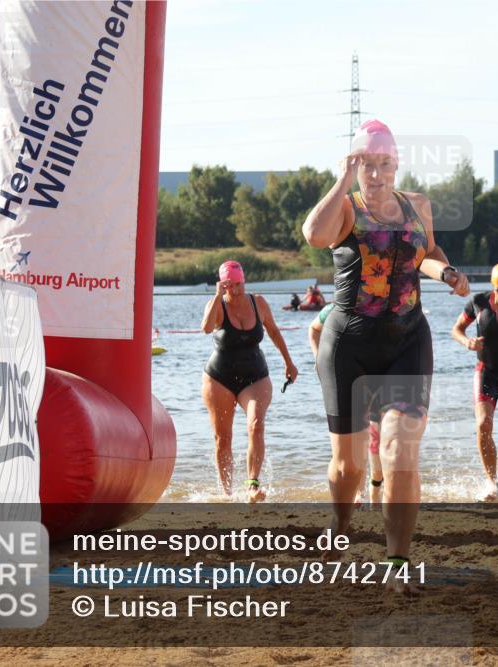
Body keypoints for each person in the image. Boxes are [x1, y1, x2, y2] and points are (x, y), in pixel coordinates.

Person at [303, 119, 470, 591]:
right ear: (354, 166)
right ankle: (340, 521)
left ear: (396, 165)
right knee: (350, 467)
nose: (375, 174)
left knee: (399, 451)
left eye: (384, 164)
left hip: (406, 341)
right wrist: (342, 178)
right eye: (366, 165)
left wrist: (447, 273)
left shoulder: (418, 205)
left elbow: (428, 252)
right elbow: (313, 234)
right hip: (348, 347)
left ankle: (397, 562)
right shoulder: (345, 208)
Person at [201, 260, 298, 502]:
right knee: (223, 439)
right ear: (223, 285)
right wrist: (217, 296)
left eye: (238, 284)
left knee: (256, 425)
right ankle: (226, 494)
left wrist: (289, 362)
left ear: (244, 281)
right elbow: (206, 328)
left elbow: (273, 331)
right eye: (229, 286)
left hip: (255, 376)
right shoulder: (217, 304)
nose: (235, 290)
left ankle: (252, 485)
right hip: (219, 377)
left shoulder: (258, 302)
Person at [452, 262, 498, 502]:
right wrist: (467, 342)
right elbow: (457, 329)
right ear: (493, 287)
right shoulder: (479, 302)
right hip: (487, 371)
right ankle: (491, 481)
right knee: (483, 423)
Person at [309, 302, 383, 507]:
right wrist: (318, 359)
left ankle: (374, 491)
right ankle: (359, 493)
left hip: (375, 379)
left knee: (375, 442)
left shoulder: (378, 307)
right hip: (344, 379)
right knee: (357, 441)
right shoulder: (333, 309)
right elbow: (313, 329)